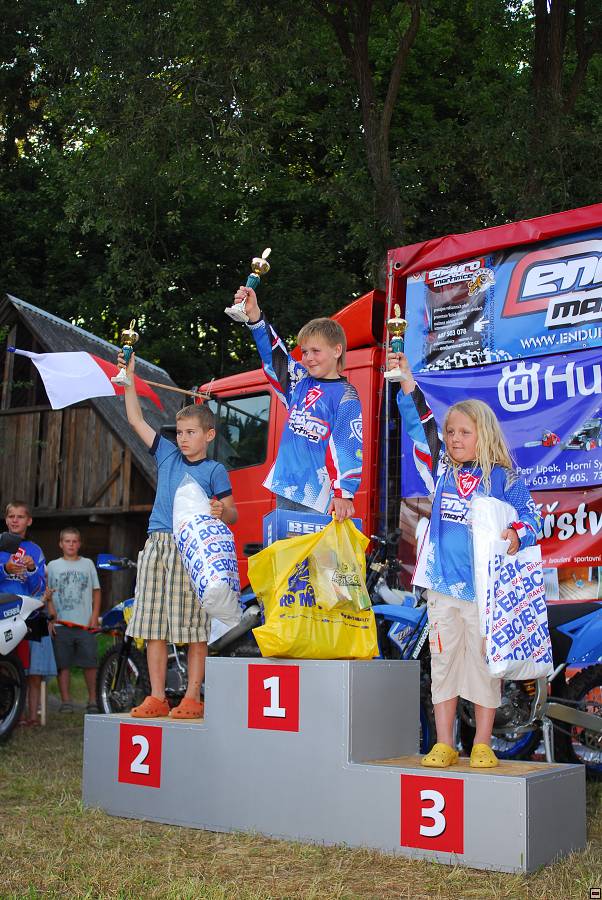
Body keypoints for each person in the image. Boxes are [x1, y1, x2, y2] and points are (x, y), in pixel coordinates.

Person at [389, 349, 541, 769]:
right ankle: (445, 743)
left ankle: (483, 744)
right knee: (444, 665)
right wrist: (406, 379)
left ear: (483, 434)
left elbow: (533, 517)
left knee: (485, 666)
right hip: (442, 589)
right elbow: (421, 422)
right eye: (451, 432)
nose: (455, 439)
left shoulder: (502, 477)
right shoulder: (441, 469)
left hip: (485, 595)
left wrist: (517, 533)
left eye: (464, 432)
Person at [118, 350, 237, 719]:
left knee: (194, 624)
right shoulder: (167, 455)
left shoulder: (215, 470)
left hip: (191, 549)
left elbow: (232, 513)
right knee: (151, 622)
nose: (183, 439)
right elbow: (135, 419)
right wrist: (129, 379)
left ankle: (192, 697)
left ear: (209, 435)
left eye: (191, 433)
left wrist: (222, 511)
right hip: (156, 544)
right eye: (180, 433)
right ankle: (157, 696)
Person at [232, 285, 363, 520]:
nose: (308, 358)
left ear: (337, 350)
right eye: (304, 352)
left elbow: (346, 444)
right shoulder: (300, 382)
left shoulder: (346, 395)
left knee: (314, 546)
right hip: (286, 486)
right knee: (285, 545)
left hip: (318, 495)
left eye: (315, 351)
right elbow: (275, 357)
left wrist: (344, 492)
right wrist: (255, 317)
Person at [0, 501, 56, 726]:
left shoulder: (35, 550)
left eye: (20, 516)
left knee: (20, 666)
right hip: (1, 613)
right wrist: (5, 569)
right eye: (11, 516)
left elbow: (39, 589)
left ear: (29, 521)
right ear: (6, 520)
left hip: (23, 616)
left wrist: (32, 569)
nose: (15, 520)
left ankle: (18, 714)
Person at [46, 527, 101, 713]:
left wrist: (94, 616)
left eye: (74, 541)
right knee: (63, 664)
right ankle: (66, 701)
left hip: (85, 624)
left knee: (90, 663)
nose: (71, 544)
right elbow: (48, 594)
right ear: (60, 544)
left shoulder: (87, 564)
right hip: (61, 623)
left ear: (79, 544)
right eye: (67, 541)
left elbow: (96, 591)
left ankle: (93, 700)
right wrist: (51, 617)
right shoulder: (52, 566)